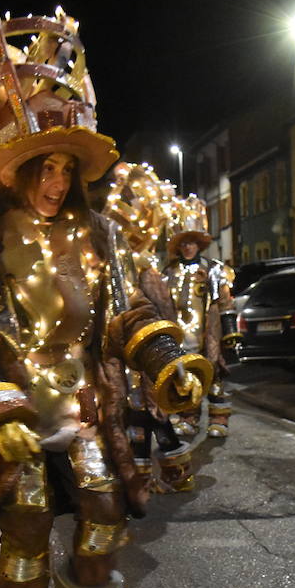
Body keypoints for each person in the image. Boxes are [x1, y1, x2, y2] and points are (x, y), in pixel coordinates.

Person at [0, 0, 211, 588]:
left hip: (84, 408)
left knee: (104, 516)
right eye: (42, 169)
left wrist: (166, 361)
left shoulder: (101, 237)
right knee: (24, 528)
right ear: (17, 170)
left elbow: (124, 314)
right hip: (20, 410)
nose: (56, 182)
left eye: (65, 168)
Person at [103, 163, 196, 491]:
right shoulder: (118, 267)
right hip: (129, 358)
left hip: (146, 356)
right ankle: (145, 477)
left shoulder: (143, 270)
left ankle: (175, 472)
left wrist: (164, 354)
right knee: (138, 419)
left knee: (152, 415)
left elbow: (162, 314)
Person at [162, 196, 235, 440]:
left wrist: (230, 331)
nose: (188, 248)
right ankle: (189, 417)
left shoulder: (213, 269)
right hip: (181, 335)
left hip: (208, 332)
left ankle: (219, 417)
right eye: (184, 244)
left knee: (213, 374)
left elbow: (225, 301)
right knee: (184, 375)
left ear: (198, 246)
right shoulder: (169, 273)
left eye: (192, 243)